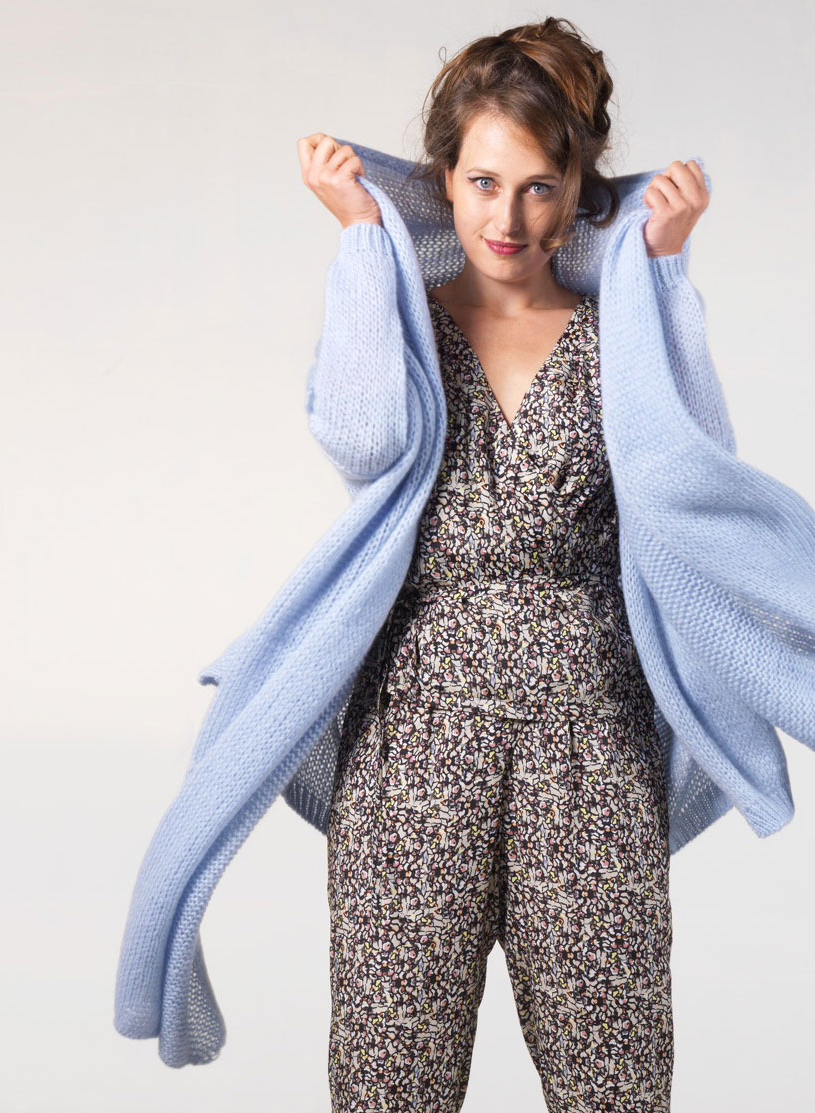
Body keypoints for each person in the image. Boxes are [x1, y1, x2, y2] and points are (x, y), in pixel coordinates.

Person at [297, 16, 704, 1112]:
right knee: (389, 1079)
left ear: (578, 190)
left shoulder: (618, 328)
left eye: (537, 187)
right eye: (482, 182)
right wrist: (362, 241)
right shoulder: (402, 320)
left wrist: (665, 275)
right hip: (414, 741)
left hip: (591, 742)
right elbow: (361, 439)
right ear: (443, 180)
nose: (507, 218)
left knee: (615, 1080)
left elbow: (692, 482)